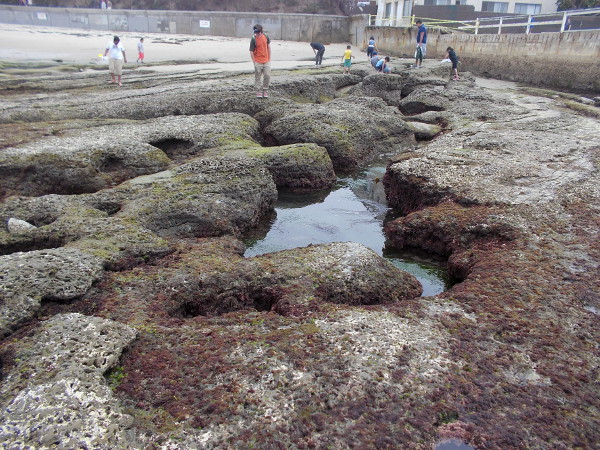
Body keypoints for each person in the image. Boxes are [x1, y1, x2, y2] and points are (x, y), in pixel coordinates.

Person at [250, 24, 271, 98]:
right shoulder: (253, 39)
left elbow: (268, 47)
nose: (257, 34)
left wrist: (269, 58)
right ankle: (258, 91)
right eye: (255, 32)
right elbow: (251, 51)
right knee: (258, 77)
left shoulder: (266, 37)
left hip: (266, 60)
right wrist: (254, 61)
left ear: (261, 31)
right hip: (257, 61)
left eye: (258, 32)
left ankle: (265, 91)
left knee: (267, 75)